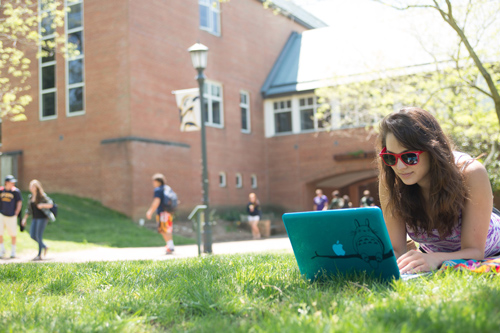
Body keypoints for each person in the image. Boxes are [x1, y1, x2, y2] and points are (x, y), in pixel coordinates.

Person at [378, 107, 500, 274]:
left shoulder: (471, 172)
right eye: (391, 157)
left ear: (432, 150)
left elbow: (475, 252)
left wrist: (435, 259)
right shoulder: (391, 181)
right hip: (433, 258)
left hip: (491, 253)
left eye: (409, 157)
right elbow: (397, 250)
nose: (399, 166)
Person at [21, 180, 55, 261]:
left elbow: (51, 204)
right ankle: (44, 246)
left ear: (37, 187)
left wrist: (42, 205)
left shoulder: (42, 196)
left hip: (42, 218)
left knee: (39, 236)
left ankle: (39, 255)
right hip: (35, 218)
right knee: (32, 235)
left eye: (33, 186)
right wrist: (24, 219)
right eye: (30, 186)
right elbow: (28, 210)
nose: (31, 188)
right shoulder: (30, 197)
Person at [146, 173, 175, 254]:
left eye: (154, 181)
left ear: (157, 181)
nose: (153, 183)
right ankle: (170, 245)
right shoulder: (167, 188)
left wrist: (150, 211)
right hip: (169, 212)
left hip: (162, 213)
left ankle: (170, 246)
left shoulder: (158, 190)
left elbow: (156, 201)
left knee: (164, 229)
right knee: (167, 229)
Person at [0, 175, 23, 258]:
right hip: (2, 214)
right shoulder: (1, 190)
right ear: (6, 183)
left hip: (12, 215)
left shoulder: (15, 191)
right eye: (11, 182)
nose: (13, 183)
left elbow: (19, 202)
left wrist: (16, 212)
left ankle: (13, 251)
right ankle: (2, 250)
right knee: (0, 232)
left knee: (13, 233)